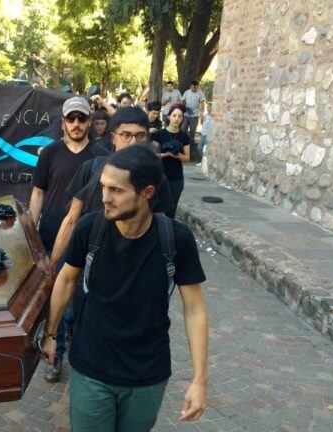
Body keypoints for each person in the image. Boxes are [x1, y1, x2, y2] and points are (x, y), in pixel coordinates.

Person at [43, 144, 209, 431]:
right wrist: (50, 333)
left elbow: (194, 310)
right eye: (103, 187)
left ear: (147, 194)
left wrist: (199, 380)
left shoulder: (176, 239)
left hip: (148, 374)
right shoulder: (89, 229)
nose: (104, 198)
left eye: (116, 191)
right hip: (91, 367)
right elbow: (67, 279)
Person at [29, 96, 109, 382]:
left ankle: (80, 343)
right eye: (71, 118)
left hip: (90, 238)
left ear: (90, 122)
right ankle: (56, 353)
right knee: (57, 296)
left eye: (82, 118)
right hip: (52, 233)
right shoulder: (49, 153)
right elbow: (38, 192)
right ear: (63, 122)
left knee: (81, 297)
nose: (76, 124)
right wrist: (31, 233)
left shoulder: (101, 156)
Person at [51, 106, 175, 277]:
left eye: (140, 135)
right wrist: (54, 264)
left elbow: (160, 229)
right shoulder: (91, 168)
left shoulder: (157, 179)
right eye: (126, 135)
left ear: (147, 138)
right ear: (113, 137)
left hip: (131, 271)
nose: (133, 143)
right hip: (87, 266)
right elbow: (71, 220)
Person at [152, 105, 190, 215]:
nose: (177, 118)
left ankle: (169, 231)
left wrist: (177, 155)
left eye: (179, 116)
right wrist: (166, 154)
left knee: (171, 209)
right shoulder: (160, 134)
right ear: (169, 117)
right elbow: (153, 155)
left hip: (176, 179)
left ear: (182, 119)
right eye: (174, 115)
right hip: (160, 176)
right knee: (157, 208)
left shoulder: (184, 137)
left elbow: (187, 159)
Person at [181, 80, 205, 155]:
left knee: (193, 129)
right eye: (192, 87)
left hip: (195, 115)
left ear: (197, 86)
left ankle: (191, 142)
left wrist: (201, 113)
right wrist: (183, 109)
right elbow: (183, 101)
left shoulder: (200, 93)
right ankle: (183, 140)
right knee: (183, 127)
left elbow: (202, 103)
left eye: (195, 87)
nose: (194, 89)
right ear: (190, 86)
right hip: (186, 114)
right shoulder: (187, 92)